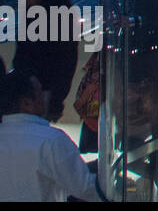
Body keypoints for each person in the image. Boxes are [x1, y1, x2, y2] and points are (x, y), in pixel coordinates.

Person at [0, 66, 100, 201]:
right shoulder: (52, 140)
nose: (46, 97)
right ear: (27, 103)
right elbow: (85, 189)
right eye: (41, 92)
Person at [11, 0, 79, 122]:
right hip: (31, 86)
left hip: (46, 89)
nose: (25, 1)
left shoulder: (61, 17)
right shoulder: (31, 11)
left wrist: (54, 97)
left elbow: (65, 62)